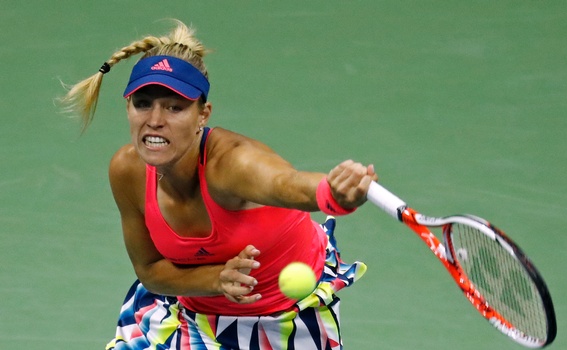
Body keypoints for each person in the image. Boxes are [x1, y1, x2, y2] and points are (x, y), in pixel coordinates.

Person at [61, 20, 377, 350]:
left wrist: (334, 192)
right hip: (186, 317)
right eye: (143, 103)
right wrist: (216, 279)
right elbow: (151, 271)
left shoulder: (233, 164)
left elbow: (288, 184)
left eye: (175, 107)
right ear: (128, 107)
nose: (155, 119)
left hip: (282, 323)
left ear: (203, 114)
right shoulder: (127, 171)